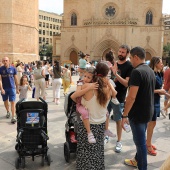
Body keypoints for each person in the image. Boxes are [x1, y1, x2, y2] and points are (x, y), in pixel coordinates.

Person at [72, 62, 114, 169]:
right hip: (101, 125)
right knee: (98, 151)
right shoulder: (109, 87)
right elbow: (115, 95)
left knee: (85, 152)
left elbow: (73, 97)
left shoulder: (87, 86)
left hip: (88, 125)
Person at [122, 47, 156, 170]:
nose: (130, 60)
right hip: (148, 111)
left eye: (130, 57)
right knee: (141, 139)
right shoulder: (150, 70)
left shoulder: (136, 72)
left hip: (137, 114)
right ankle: (136, 160)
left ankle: (143, 167)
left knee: (140, 144)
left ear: (136, 57)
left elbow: (131, 97)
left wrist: (125, 115)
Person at [71, 67, 117, 143]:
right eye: (84, 76)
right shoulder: (81, 83)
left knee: (107, 113)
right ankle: (89, 133)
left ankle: (106, 129)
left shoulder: (93, 85)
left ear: (93, 79)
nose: (85, 79)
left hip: (86, 105)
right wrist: (88, 88)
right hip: (79, 104)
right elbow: (75, 95)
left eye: (88, 77)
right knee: (85, 113)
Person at [108, 45, 133, 152]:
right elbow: (113, 80)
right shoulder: (115, 64)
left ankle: (119, 141)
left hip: (119, 98)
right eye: (119, 51)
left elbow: (127, 83)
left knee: (118, 120)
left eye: (123, 52)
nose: (120, 54)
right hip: (108, 96)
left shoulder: (129, 66)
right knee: (105, 116)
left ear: (127, 54)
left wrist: (116, 74)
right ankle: (106, 136)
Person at [146, 57, 166, 156]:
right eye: (161, 63)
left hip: (157, 101)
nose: (162, 64)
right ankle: (148, 144)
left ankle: (148, 142)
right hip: (151, 101)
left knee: (153, 124)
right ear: (156, 63)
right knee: (151, 124)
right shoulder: (152, 74)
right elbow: (146, 90)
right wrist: (159, 91)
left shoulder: (159, 73)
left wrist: (162, 91)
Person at [0, 57, 19, 123]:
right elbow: (0, 80)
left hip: (12, 88)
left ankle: (13, 116)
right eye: (4, 60)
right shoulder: (1, 69)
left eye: (6, 60)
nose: (5, 62)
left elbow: (16, 79)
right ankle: (8, 111)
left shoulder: (13, 69)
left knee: (13, 102)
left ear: (9, 61)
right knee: (5, 101)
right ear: (2, 61)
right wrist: (1, 88)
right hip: (4, 88)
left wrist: (17, 88)